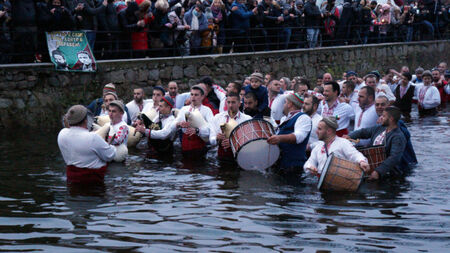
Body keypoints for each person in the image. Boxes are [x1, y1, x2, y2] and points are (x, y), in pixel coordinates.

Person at [58, 105, 116, 184]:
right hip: (94, 183)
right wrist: (110, 144)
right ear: (86, 120)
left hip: (72, 181)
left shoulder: (62, 134)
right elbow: (110, 155)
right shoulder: (93, 137)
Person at [348, 107, 409, 180]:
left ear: (391, 119)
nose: (381, 118)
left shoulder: (398, 137)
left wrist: (378, 172)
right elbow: (364, 132)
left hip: (388, 176)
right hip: (372, 168)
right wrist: (349, 136)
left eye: (384, 116)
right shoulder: (380, 128)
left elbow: (394, 158)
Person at [304, 116, 369, 178]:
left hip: (342, 183)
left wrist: (362, 162)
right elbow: (309, 162)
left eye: (319, 129)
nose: (316, 132)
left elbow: (355, 154)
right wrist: (310, 167)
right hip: (322, 183)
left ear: (329, 131)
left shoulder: (343, 143)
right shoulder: (318, 146)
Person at [267, 93, 312, 175]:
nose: (283, 105)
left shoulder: (303, 117)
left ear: (290, 104)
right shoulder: (284, 118)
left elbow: (299, 137)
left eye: (285, 102)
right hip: (281, 166)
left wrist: (279, 138)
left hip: (293, 167)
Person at [374, 95, 417, 165]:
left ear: (388, 106)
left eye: (382, 105)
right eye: (377, 105)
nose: (379, 107)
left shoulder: (396, 120)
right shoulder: (380, 122)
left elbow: (406, 133)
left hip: (406, 163)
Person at [209, 92, 251, 160]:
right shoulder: (217, 117)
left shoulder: (247, 119)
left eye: (233, 102)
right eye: (228, 102)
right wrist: (217, 138)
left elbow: (250, 141)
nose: (230, 105)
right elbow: (211, 139)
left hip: (240, 156)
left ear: (239, 104)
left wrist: (234, 142)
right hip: (221, 155)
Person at [175, 85, 214, 156]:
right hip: (185, 144)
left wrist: (197, 130)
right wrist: (180, 124)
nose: (193, 97)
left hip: (199, 145)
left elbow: (211, 128)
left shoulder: (207, 110)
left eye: (196, 95)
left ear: (202, 97)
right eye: (192, 94)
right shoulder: (184, 109)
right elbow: (176, 123)